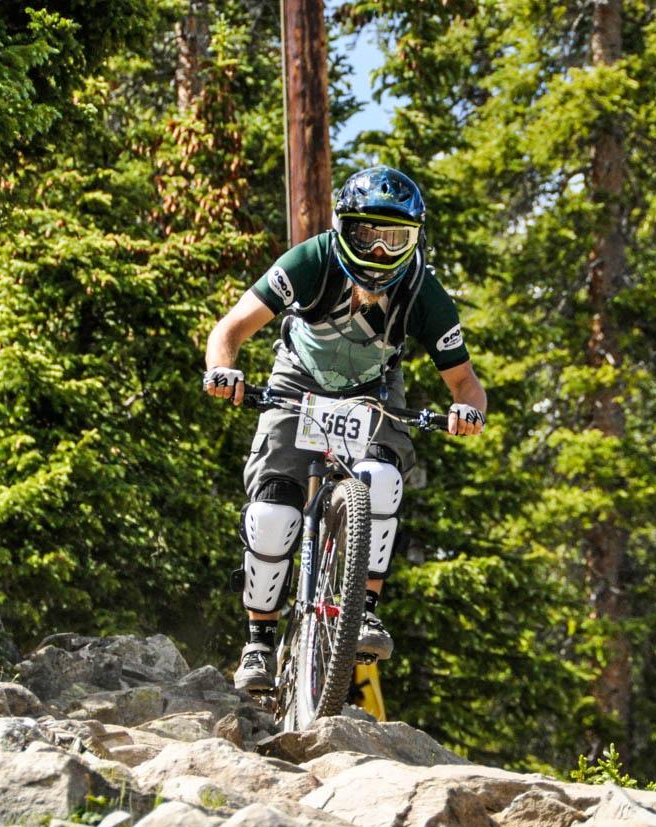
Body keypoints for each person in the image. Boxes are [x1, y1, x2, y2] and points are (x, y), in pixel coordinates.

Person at [203, 166, 488, 693]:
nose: (380, 252)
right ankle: (258, 642)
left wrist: (468, 412)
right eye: (367, 236)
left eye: (394, 238)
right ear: (344, 228)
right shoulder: (310, 261)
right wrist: (223, 369)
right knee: (270, 513)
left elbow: (465, 382)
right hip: (297, 380)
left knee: (381, 481)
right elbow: (231, 329)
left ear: (415, 239)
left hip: (375, 392)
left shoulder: (423, 290)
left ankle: (366, 612)